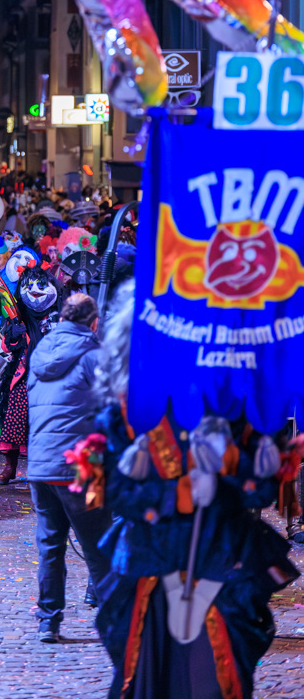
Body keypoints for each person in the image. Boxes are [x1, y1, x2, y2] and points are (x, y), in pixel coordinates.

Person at [88, 283, 300, 699]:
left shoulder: (240, 407)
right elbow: (113, 488)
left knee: (214, 680)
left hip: (221, 563)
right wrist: (173, 497)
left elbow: (260, 494)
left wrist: (241, 474)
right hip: (151, 564)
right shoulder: (128, 411)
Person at [26, 292, 111, 642]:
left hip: (40, 465)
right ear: (93, 323)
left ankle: (48, 621)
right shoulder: (93, 356)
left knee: (50, 546)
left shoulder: (39, 353)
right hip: (80, 465)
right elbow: (115, 405)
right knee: (99, 545)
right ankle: (115, 621)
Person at [0, 265, 62, 485]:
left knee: (44, 425)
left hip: (50, 380)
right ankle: (10, 466)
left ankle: (41, 468)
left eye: (42, 285)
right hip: (22, 377)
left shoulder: (59, 317)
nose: (35, 290)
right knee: (14, 421)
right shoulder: (19, 318)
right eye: (30, 285)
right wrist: (14, 336)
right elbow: (7, 347)